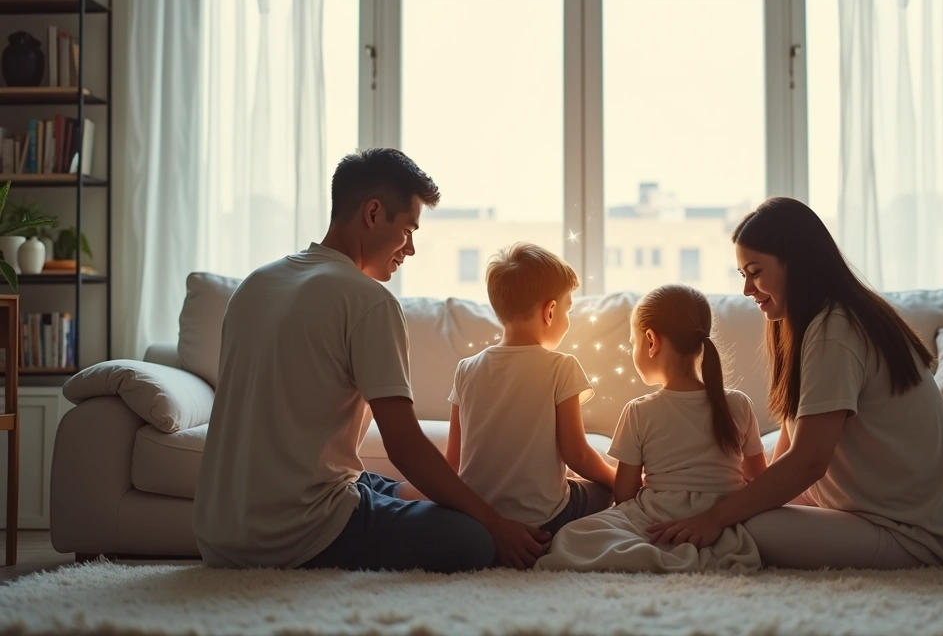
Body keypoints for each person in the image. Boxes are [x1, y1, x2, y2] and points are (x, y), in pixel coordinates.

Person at [193, 148, 549, 572]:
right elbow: (403, 444)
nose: (411, 249)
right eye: (408, 230)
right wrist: (494, 524)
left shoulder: (255, 284)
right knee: (472, 539)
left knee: (383, 487)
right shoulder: (368, 301)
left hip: (218, 534)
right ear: (374, 213)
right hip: (294, 536)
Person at [648, 197, 943, 570]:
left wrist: (714, 517)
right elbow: (795, 438)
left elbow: (809, 461)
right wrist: (742, 497)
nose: (747, 289)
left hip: (920, 535)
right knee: (745, 511)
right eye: (743, 274)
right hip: (906, 520)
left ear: (796, 263)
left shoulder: (835, 330)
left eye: (755, 272)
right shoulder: (820, 322)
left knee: (748, 525)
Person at [536, 284, 768, 573]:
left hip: (656, 516)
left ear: (650, 341)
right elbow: (760, 479)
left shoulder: (639, 410)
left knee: (572, 536)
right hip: (721, 521)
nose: (633, 351)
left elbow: (624, 495)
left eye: (632, 343)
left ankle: (650, 554)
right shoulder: (739, 403)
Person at [447, 243, 616, 537]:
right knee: (602, 488)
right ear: (550, 311)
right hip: (544, 520)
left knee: (572, 480)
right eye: (567, 309)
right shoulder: (561, 367)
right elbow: (577, 455)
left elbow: (453, 461)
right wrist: (621, 480)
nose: (567, 321)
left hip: (479, 519)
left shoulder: (466, 369)